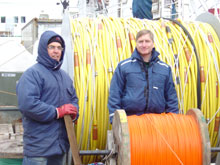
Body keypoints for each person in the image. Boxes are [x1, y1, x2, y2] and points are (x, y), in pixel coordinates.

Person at [16, 30, 79, 165]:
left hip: (60, 147)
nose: (56, 51)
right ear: (44, 49)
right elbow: (28, 104)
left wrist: (74, 111)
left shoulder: (65, 77)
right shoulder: (32, 75)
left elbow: (73, 99)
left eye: (59, 48)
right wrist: (57, 112)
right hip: (38, 150)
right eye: (51, 47)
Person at [108, 29, 178, 123]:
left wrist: (173, 119)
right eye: (140, 42)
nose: (144, 45)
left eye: (147, 41)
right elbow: (115, 93)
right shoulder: (124, 66)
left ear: (153, 44)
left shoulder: (164, 69)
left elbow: (171, 96)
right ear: (136, 43)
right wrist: (115, 119)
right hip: (131, 121)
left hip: (158, 121)